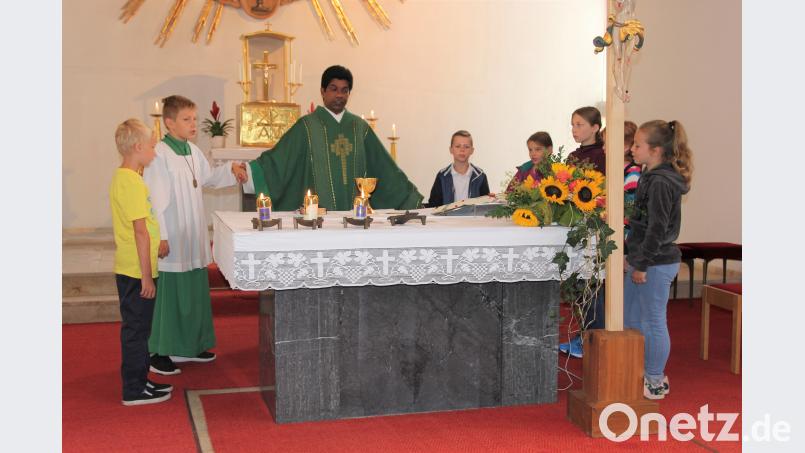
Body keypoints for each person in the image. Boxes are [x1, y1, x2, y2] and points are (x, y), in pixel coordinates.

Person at [143, 95, 248, 375]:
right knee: (172, 294)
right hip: (173, 236)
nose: (193, 125)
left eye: (194, 119)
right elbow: (155, 200)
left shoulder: (192, 150)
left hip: (192, 234)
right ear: (169, 122)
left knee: (193, 290)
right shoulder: (159, 155)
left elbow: (208, 178)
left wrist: (230, 169)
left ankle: (191, 345)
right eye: (186, 119)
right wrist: (162, 236)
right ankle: (161, 351)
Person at [243, 65, 423, 211]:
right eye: (334, 89)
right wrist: (249, 172)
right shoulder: (306, 126)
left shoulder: (359, 128)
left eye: (345, 90)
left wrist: (410, 198)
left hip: (356, 219)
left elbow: (384, 166)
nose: (339, 95)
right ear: (322, 91)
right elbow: (279, 161)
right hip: (317, 220)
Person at [624, 120, 692, 400]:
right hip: (642, 258)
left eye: (638, 145)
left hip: (656, 262)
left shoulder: (662, 182)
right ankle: (634, 371)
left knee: (652, 320)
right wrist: (632, 256)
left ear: (655, 150)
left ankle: (654, 378)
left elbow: (658, 228)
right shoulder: (649, 175)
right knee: (631, 318)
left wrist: (642, 263)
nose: (632, 149)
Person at [559, 120, 638, 359]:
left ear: (625, 146)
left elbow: (628, 212)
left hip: (618, 242)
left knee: (600, 296)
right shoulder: (613, 171)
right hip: (603, 239)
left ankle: (596, 341)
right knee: (591, 291)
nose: (603, 149)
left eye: (608, 144)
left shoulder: (632, 175)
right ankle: (589, 337)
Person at [110, 119, 172, 405]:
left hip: (134, 267)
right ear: (137, 147)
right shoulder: (132, 182)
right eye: (151, 147)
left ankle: (141, 380)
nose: (154, 152)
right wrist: (147, 277)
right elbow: (140, 231)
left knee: (139, 329)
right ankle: (133, 390)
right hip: (136, 271)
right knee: (136, 331)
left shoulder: (124, 177)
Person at [425, 130, 490, 207]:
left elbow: (486, 206)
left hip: (473, 219)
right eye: (458, 146)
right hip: (448, 218)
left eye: (466, 147)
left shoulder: (480, 176)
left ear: (472, 151)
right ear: (451, 150)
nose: (462, 150)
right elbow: (433, 206)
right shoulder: (442, 176)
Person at [568, 106, 606, 174]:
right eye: (573, 125)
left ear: (594, 128)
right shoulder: (572, 156)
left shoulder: (602, 155)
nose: (573, 130)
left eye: (579, 125)